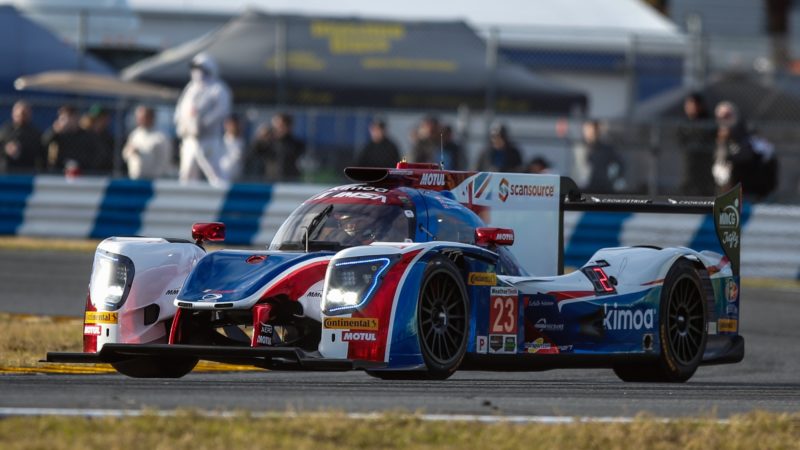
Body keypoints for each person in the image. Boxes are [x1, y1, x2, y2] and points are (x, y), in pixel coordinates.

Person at [174, 52, 231, 186]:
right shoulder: (190, 88)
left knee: (215, 175)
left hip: (209, 139)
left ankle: (223, 202)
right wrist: (182, 125)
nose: (196, 72)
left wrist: (203, 123)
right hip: (189, 139)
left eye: (199, 69)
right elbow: (180, 110)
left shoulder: (218, 89)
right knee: (186, 175)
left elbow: (222, 111)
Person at [713, 101, 759, 196]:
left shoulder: (742, 133)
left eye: (727, 116)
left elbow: (745, 154)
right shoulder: (716, 133)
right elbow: (719, 156)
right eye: (721, 117)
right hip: (724, 169)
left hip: (741, 172)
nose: (724, 120)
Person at [676, 93, 716, 196]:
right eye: (687, 105)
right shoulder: (684, 124)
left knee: (704, 190)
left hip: (705, 166)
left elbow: (708, 139)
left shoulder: (708, 122)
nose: (689, 108)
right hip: (689, 165)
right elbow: (680, 140)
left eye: (692, 104)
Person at [42, 105, 98, 175]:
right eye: (62, 118)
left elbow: (96, 153)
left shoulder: (86, 135)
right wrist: (54, 131)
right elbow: (43, 144)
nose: (65, 121)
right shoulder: (58, 134)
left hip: (82, 174)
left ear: (76, 118)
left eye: (67, 117)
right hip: (60, 173)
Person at [121, 106, 173, 180]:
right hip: (135, 179)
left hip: (154, 181)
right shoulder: (134, 135)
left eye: (143, 118)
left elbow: (165, 161)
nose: (140, 120)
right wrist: (131, 151)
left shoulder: (161, 137)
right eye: (139, 118)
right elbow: (125, 154)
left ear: (151, 118)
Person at [577, 120, 624, 193]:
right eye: (586, 130)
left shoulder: (607, 149)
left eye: (590, 130)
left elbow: (621, 165)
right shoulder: (580, 148)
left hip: (602, 187)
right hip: (587, 188)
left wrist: (612, 180)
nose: (587, 133)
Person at [0, 101, 43, 173]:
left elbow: (39, 153)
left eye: (24, 114)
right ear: (13, 114)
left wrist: (20, 149)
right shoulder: (5, 130)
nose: (21, 117)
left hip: (26, 172)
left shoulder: (35, 133)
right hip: (5, 172)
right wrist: (6, 149)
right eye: (18, 115)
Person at [264, 112, 305, 181]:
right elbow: (255, 153)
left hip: (290, 181)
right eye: (275, 126)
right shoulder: (269, 142)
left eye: (281, 126)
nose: (277, 129)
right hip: (271, 180)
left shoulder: (296, 143)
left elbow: (290, 154)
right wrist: (261, 139)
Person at [81, 104, 115, 174]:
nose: (98, 122)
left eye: (101, 118)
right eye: (96, 119)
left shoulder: (108, 137)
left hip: (104, 174)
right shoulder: (83, 135)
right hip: (85, 173)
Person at [219, 114, 245, 183]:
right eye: (231, 125)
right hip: (222, 179)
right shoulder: (220, 141)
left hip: (238, 181)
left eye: (235, 125)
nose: (233, 127)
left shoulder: (242, 142)